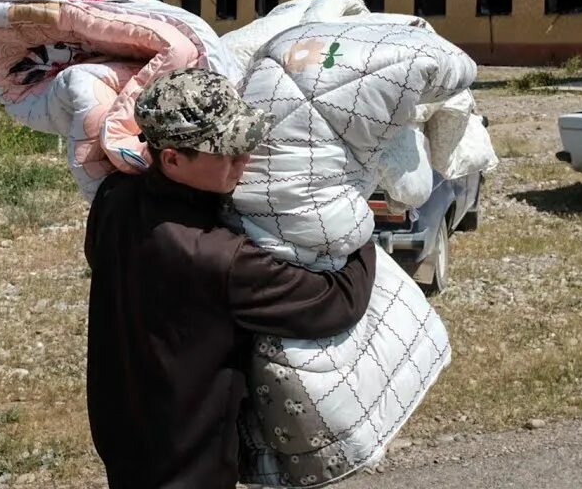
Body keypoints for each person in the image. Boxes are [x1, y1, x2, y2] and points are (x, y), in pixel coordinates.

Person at [83, 68, 378, 489]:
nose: (246, 159)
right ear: (172, 158)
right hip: (190, 470)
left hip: (124, 447)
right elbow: (336, 302)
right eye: (229, 151)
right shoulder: (220, 259)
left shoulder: (114, 198)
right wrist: (358, 228)